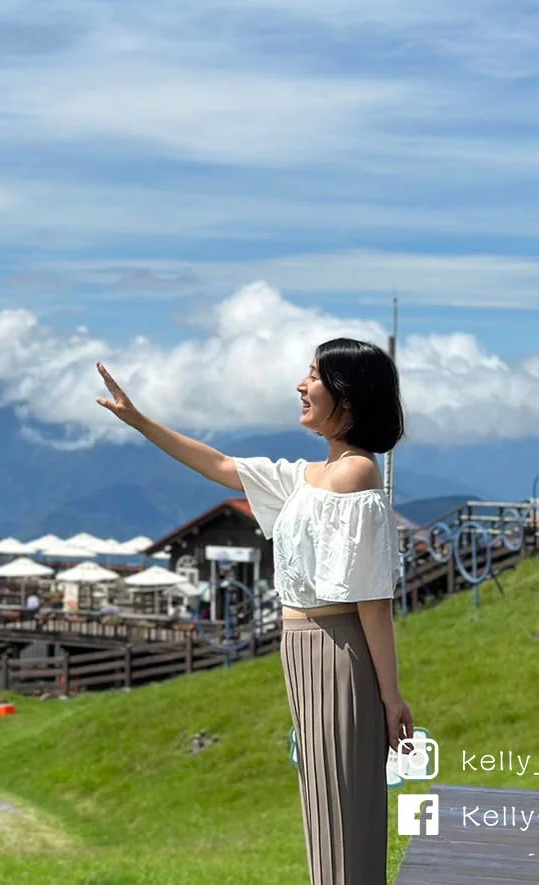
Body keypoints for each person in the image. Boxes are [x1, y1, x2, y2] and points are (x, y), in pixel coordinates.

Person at [96, 340, 411, 885]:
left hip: (337, 653)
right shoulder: (310, 477)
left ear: (349, 398)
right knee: (325, 810)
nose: (301, 385)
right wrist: (138, 421)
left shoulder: (357, 475)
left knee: (344, 813)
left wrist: (390, 698)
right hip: (306, 653)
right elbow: (219, 465)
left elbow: (372, 599)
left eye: (315, 376)